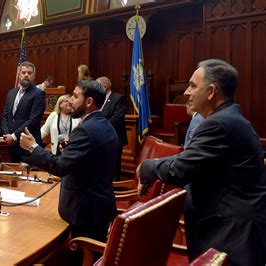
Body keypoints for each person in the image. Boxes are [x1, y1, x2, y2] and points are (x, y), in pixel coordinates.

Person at [137, 59, 266, 265]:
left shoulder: (218, 124)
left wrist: (146, 167)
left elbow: (180, 169)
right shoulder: (229, 119)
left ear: (212, 91)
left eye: (193, 85)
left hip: (232, 235)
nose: (187, 92)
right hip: (236, 228)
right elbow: (189, 159)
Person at [20, 80, 118, 244]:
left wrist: (33, 147)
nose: (70, 100)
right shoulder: (105, 125)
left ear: (88, 102)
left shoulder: (85, 130)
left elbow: (59, 166)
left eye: (75, 96)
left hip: (85, 213)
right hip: (99, 208)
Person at [2, 61, 45, 162]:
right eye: (23, 72)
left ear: (33, 76)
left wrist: (14, 136)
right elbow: (5, 116)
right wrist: (7, 135)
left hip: (28, 147)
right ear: (19, 75)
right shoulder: (11, 93)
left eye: (29, 73)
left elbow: (33, 120)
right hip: (11, 146)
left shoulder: (38, 94)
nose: (26, 75)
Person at [97, 76, 127, 181]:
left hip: (114, 136)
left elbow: (117, 117)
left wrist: (101, 127)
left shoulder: (118, 98)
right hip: (100, 136)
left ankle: (115, 186)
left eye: (97, 86)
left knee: (114, 163)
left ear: (105, 86)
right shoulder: (97, 98)